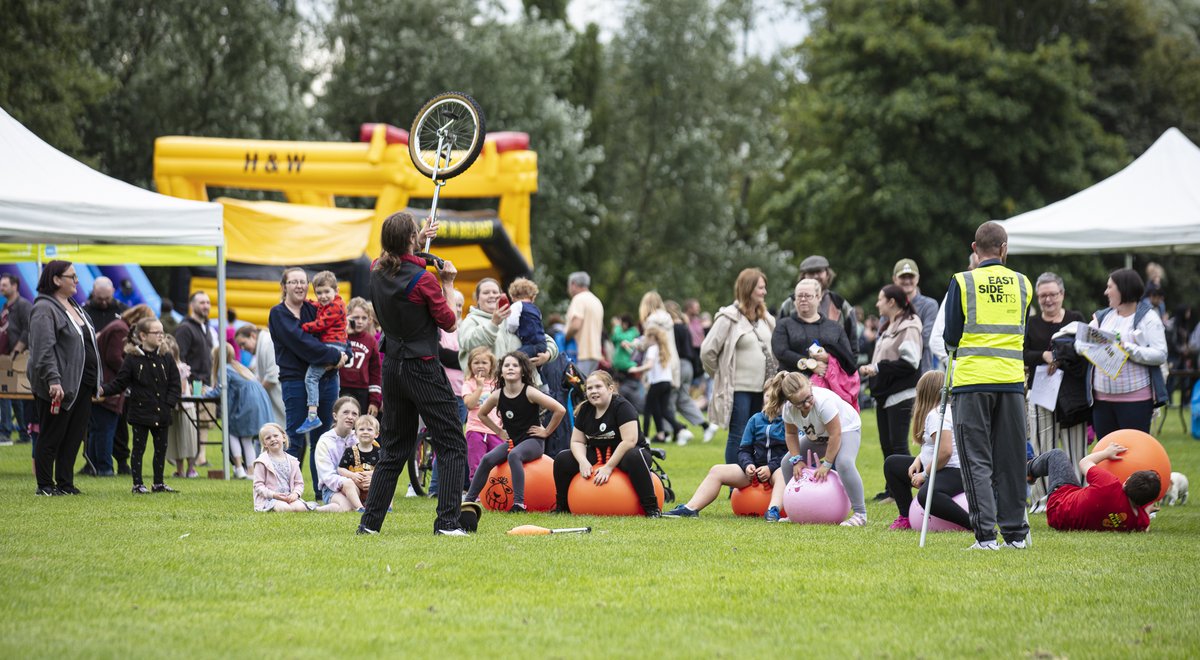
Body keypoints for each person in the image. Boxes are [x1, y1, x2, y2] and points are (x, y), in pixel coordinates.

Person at [359, 211, 471, 536]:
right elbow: (449, 322)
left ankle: (370, 525)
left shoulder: (376, 269)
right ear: (409, 239)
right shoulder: (425, 280)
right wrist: (448, 282)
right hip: (421, 365)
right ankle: (447, 523)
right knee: (452, 442)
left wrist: (417, 243)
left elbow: (397, 260)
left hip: (392, 365)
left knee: (394, 448)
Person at [942, 220, 1032, 550]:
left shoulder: (962, 281)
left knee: (976, 459)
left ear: (974, 249)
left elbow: (951, 336)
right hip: (1011, 381)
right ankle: (1015, 535)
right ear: (1004, 248)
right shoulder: (1023, 283)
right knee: (1011, 459)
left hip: (972, 382)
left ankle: (985, 537)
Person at [28, 260, 103, 496]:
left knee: (73, 437)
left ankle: (65, 483)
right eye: (72, 276)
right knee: (52, 434)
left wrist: (97, 380)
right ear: (56, 279)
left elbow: (87, 345)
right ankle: (45, 485)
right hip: (59, 385)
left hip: (82, 383)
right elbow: (43, 350)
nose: (77, 281)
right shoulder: (44, 309)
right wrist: (53, 380)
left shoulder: (74, 306)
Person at [268, 268, 348, 489]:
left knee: (323, 440)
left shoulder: (314, 308)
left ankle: (323, 490)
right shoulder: (279, 314)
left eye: (303, 282)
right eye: (294, 282)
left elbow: (339, 330)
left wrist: (346, 353)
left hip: (327, 379)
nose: (299, 286)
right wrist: (335, 356)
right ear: (284, 286)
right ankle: (287, 490)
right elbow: (302, 343)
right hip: (295, 380)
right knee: (295, 437)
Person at [760, 371, 867, 525]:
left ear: (810, 386)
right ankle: (795, 509)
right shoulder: (788, 409)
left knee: (844, 463)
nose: (806, 404)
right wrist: (796, 460)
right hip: (819, 435)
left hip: (845, 429)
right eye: (800, 403)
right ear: (790, 402)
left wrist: (827, 464)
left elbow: (835, 435)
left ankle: (860, 514)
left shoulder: (823, 402)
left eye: (808, 398)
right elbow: (791, 434)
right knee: (787, 463)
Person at [463, 352, 565, 511]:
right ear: (501, 372)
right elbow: (482, 414)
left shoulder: (530, 392)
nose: (510, 368)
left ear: (523, 371)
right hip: (513, 442)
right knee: (487, 459)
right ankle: (469, 500)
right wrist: (499, 431)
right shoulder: (497, 395)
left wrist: (546, 432)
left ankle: (518, 503)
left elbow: (560, 409)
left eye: (515, 365)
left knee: (514, 455)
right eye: (507, 365)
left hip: (534, 442)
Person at [552, 370, 662, 517]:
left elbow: (629, 441)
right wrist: (583, 461)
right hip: (599, 453)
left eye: (598, 387)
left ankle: (651, 508)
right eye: (589, 388)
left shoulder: (622, 407)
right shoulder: (585, 409)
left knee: (635, 456)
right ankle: (562, 506)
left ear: (610, 389)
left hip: (627, 453)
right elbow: (577, 441)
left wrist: (608, 467)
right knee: (562, 458)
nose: (593, 391)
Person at [1023, 272, 1088, 511]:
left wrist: (1061, 357)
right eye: (1043, 296)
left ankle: (1078, 497)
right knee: (1042, 447)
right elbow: (1022, 353)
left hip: (1072, 396)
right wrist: (1044, 355)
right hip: (1042, 392)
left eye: (1052, 294)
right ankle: (1043, 500)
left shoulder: (1075, 319)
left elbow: (1087, 349)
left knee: (1076, 448)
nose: (1048, 300)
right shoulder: (1031, 323)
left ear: (1062, 294)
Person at [701, 268, 777, 464]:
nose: (764, 292)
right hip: (739, 389)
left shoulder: (765, 318)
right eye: (760, 287)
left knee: (758, 433)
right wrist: (721, 374)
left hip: (764, 389)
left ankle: (751, 475)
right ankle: (734, 478)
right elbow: (707, 351)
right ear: (748, 288)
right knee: (739, 434)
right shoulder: (729, 318)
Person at [101, 318, 181, 494]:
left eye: (162, 332)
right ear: (143, 336)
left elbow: (175, 384)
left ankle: (158, 483)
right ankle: (138, 484)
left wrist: (168, 404)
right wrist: (102, 390)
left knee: (161, 449)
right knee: (139, 448)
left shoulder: (166, 357)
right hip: (140, 412)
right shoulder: (132, 359)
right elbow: (120, 383)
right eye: (156, 332)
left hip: (162, 412)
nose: (161, 336)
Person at [882, 371, 969, 530]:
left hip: (954, 471)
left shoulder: (937, 415)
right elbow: (933, 447)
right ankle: (906, 517)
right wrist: (919, 459)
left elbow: (945, 452)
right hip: (940, 467)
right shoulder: (941, 411)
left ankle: (975, 524)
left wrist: (925, 474)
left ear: (925, 393)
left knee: (927, 496)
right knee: (892, 464)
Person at [1087, 268, 1168, 439]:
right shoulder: (1102, 317)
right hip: (1102, 400)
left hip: (1135, 400)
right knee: (1106, 451)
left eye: (1110, 287)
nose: (1106, 292)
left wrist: (1127, 348)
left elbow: (1160, 354)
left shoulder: (1149, 318)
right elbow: (1083, 341)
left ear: (1123, 289)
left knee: (1133, 450)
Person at [662, 409, 786, 517]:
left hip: (777, 471)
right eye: (768, 396)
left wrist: (770, 468)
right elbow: (744, 449)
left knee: (781, 474)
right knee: (717, 470)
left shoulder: (789, 420)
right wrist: (748, 465)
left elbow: (790, 452)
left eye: (776, 397)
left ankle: (773, 511)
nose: (772, 400)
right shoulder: (755, 419)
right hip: (754, 472)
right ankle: (690, 508)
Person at [859, 284, 923, 484]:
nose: (877, 304)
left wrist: (878, 368)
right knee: (887, 445)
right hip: (884, 395)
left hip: (900, 394)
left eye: (880, 299)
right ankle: (892, 490)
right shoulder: (888, 326)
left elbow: (911, 362)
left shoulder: (909, 326)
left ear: (891, 302)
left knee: (898, 446)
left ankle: (906, 489)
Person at [87, 304, 156, 476]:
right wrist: (131, 373)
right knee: (105, 428)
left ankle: (93, 466)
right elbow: (113, 357)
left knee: (98, 429)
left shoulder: (117, 326)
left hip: (102, 382)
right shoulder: (120, 330)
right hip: (110, 384)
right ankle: (104, 467)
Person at [1027, 444, 1158, 532]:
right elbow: (1144, 527)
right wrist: (1146, 510)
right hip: (1062, 522)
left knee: (1056, 455)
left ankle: (1026, 470)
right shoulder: (1137, 521)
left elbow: (1084, 462)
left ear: (1126, 481)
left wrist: (1106, 453)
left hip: (1058, 506)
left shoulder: (1109, 483)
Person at [772, 278, 857, 406]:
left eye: (807, 296)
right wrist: (810, 364)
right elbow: (781, 352)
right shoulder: (784, 324)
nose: (803, 299)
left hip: (829, 393)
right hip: (792, 391)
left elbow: (848, 356)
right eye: (799, 296)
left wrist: (828, 358)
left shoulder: (834, 327)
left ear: (818, 297)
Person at [457, 278, 557, 385]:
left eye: (495, 292)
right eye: (486, 293)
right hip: (488, 388)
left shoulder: (513, 317)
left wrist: (547, 355)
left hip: (525, 386)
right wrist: (494, 323)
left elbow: (545, 339)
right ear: (477, 298)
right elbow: (469, 344)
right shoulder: (471, 320)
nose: (491, 295)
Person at [208, 344, 275, 479]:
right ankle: (250, 470)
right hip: (259, 401)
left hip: (246, 404)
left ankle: (239, 468)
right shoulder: (239, 367)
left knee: (232, 433)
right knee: (246, 439)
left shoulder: (224, 370)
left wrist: (205, 394)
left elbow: (220, 391)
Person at [296, 271, 349, 434]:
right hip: (332, 345)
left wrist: (302, 327)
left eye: (327, 292)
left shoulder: (336, 306)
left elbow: (321, 323)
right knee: (326, 373)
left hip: (333, 346)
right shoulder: (328, 304)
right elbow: (317, 306)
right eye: (319, 293)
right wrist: (307, 301)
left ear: (336, 291)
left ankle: (312, 415)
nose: (323, 296)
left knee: (311, 377)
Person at [777, 255, 856, 348]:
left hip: (833, 357)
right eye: (811, 273)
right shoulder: (789, 304)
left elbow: (853, 342)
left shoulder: (840, 304)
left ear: (827, 274)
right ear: (803, 276)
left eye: (819, 271)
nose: (815, 276)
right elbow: (779, 339)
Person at [665, 300, 713, 443]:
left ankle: (671, 432)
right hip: (688, 366)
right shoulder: (685, 326)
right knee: (683, 399)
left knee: (670, 399)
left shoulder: (673, 328)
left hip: (678, 366)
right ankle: (705, 425)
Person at [629, 327, 686, 444]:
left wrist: (636, 369)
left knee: (647, 410)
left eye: (647, 337)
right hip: (667, 382)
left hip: (657, 383)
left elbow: (649, 365)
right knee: (662, 410)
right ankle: (665, 433)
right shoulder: (664, 349)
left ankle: (645, 436)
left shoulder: (652, 349)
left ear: (652, 337)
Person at [314, 396, 363, 512]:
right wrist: (347, 481)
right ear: (335, 416)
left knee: (353, 505)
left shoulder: (359, 439)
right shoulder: (325, 441)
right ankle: (315, 509)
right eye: (345, 412)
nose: (350, 417)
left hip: (358, 486)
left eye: (354, 414)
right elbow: (327, 476)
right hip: (332, 489)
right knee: (346, 507)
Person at [890, 259, 939, 374]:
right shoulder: (889, 305)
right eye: (903, 277)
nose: (907, 281)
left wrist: (894, 340)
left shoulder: (929, 305)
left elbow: (926, 339)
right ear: (894, 279)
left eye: (911, 276)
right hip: (892, 374)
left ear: (918, 278)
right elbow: (881, 340)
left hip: (921, 373)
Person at [0, 273, 33, 444]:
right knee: (14, 396)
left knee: (6, 393)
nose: (1, 288)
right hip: (7, 356)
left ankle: (5, 432)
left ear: (15, 286)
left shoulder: (23, 305)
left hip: (18, 357)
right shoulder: (7, 306)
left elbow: (28, 330)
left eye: (4, 285)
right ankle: (24, 432)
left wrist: (15, 352)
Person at [160, 335, 199, 479]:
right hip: (174, 408)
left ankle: (190, 469)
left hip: (185, 408)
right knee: (176, 440)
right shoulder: (166, 368)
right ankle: (180, 470)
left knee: (188, 439)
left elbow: (181, 389)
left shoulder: (180, 368)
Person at [462, 346, 503, 481]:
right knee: (476, 465)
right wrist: (479, 387)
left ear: (491, 366)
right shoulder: (469, 384)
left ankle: (495, 488)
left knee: (499, 464)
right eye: (476, 362)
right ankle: (478, 490)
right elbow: (470, 404)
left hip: (495, 430)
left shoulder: (497, 384)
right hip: (475, 430)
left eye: (484, 363)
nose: (480, 366)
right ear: (470, 365)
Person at [235, 324, 286, 427]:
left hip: (282, 398)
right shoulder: (261, 344)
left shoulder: (268, 342)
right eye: (240, 346)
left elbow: (272, 376)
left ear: (253, 336)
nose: (243, 349)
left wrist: (255, 394)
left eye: (243, 344)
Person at [252, 422, 310, 512]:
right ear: (264, 444)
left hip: (289, 496)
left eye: (275, 436)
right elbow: (258, 486)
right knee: (285, 508)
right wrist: (273, 495)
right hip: (270, 498)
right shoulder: (262, 461)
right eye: (268, 438)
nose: (272, 439)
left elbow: (299, 483)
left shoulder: (293, 461)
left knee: (301, 508)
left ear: (283, 437)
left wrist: (295, 494)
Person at [339, 297, 383, 418]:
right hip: (340, 388)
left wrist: (374, 401)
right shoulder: (339, 336)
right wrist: (344, 333)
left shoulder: (371, 341)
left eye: (364, 318)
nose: (359, 321)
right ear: (347, 316)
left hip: (362, 392)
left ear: (369, 319)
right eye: (355, 318)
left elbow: (375, 373)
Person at [339, 414, 384, 509]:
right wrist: (352, 475)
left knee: (387, 481)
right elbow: (341, 469)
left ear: (376, 434)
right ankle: (359, 507)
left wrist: (372, 476)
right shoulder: (349, 451)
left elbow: (384, 470)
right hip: (356, 488)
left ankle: (387, 507)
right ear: (356, 434)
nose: (365, 432)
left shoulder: (380, 452)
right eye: (362, 429)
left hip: (373, 485)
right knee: (347, 484)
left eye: (369, 429)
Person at [565, 271, 604, 376]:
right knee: (588, 384)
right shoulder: (596, 301)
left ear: (573, 284)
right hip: (595, 354)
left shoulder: (578, 299)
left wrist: (565, 337)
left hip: (581, 354)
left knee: (578, 384)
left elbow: (575, 325)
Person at [175, 291, 216, 385]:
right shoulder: (185, 328)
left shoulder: (207, 327)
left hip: (207, 383)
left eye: (208, 303)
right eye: (202, 303)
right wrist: (187, 382)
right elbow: (179, 357)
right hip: (193, 384)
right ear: (192, 305)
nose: (206, 306)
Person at [504, 277, 545, 359]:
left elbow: (512, 323)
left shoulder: (517, 305)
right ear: (533, 296)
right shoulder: (536, 308)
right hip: (542, 344)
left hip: (530, 344)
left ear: (513, 296)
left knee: (513, 358)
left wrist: (511, 331)